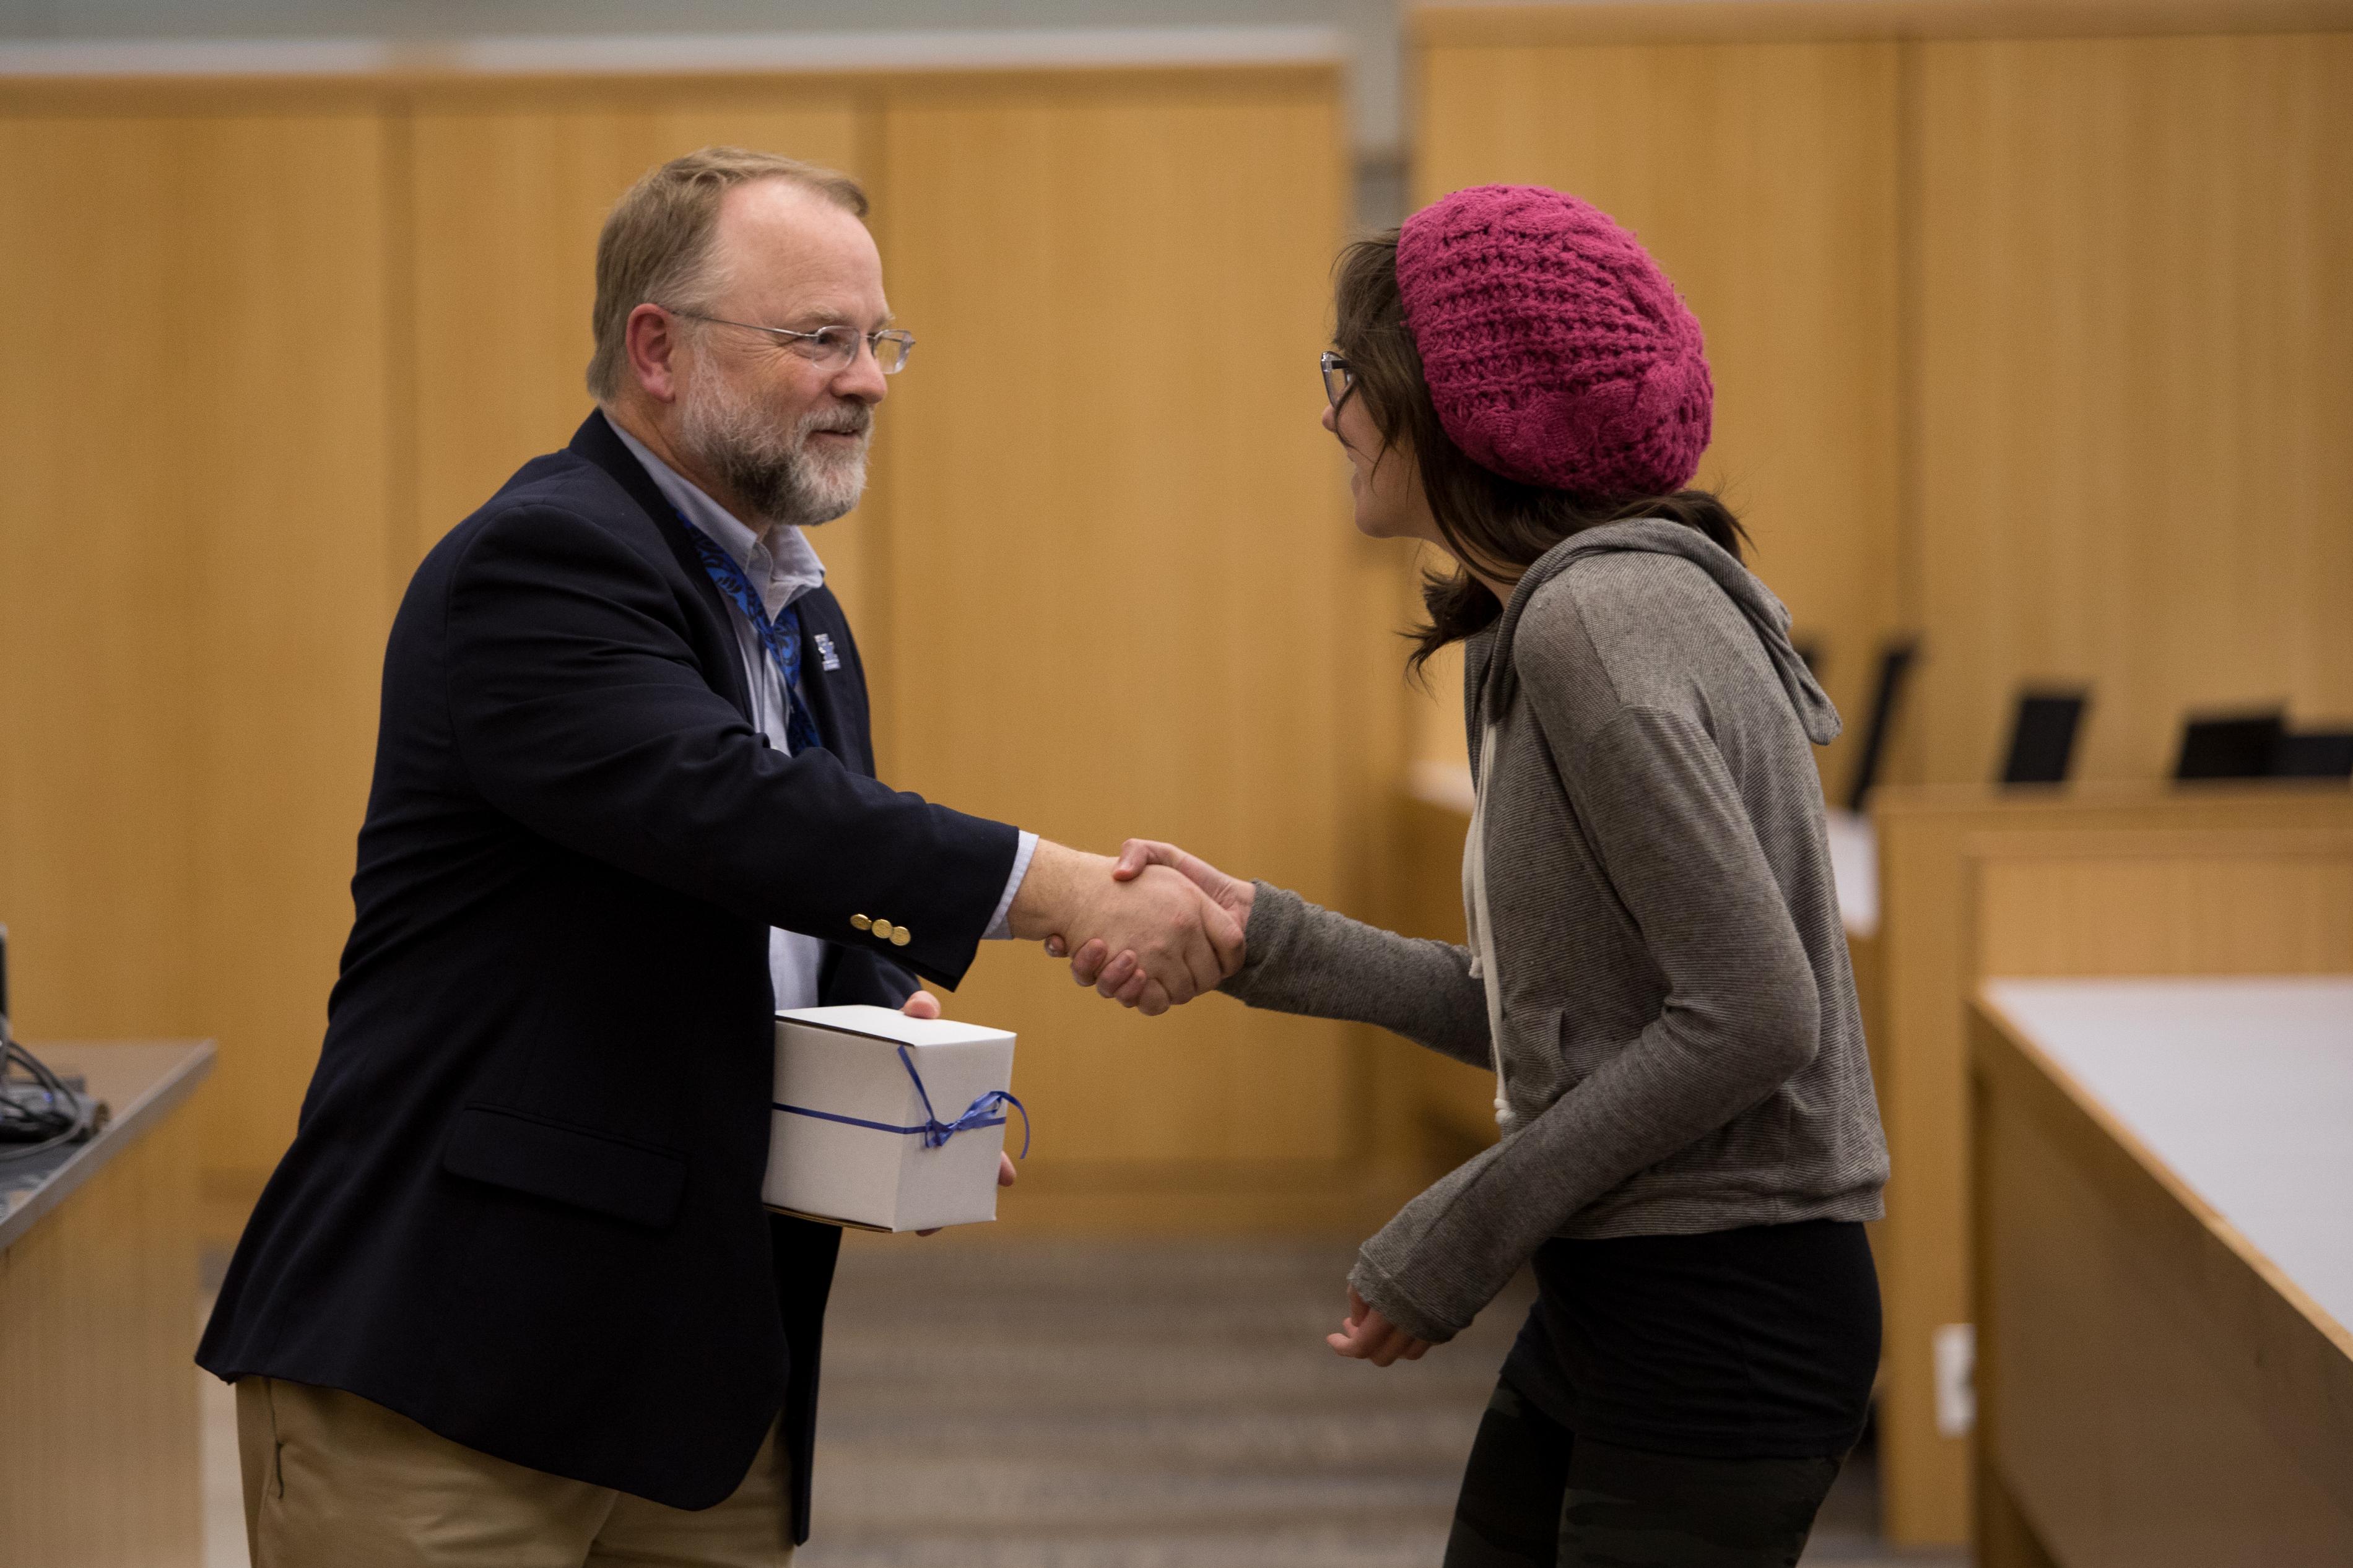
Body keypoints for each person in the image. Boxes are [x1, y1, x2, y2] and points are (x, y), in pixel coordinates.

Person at [197, 147, 1240, 1567]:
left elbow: (771, 893)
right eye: (819, 338)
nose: (867, 378)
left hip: (699, 1386)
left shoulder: (793, 610)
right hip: (452, 1374)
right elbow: (721, 809)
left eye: (881, 340)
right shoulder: (540, 563)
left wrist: (878, 1031)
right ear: (658, 351)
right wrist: (1054, 887)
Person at [1058, 184, 1890, 1566]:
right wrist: (1262, 934)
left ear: (1451, 407)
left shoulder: (1593, 623)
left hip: (1719, 1308)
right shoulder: (1558, 615)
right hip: (1627, 1284)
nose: (1331, 413)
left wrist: (1460, 1230)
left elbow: (1756, 1011)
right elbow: (1564, 1015)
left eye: (1347, 376)